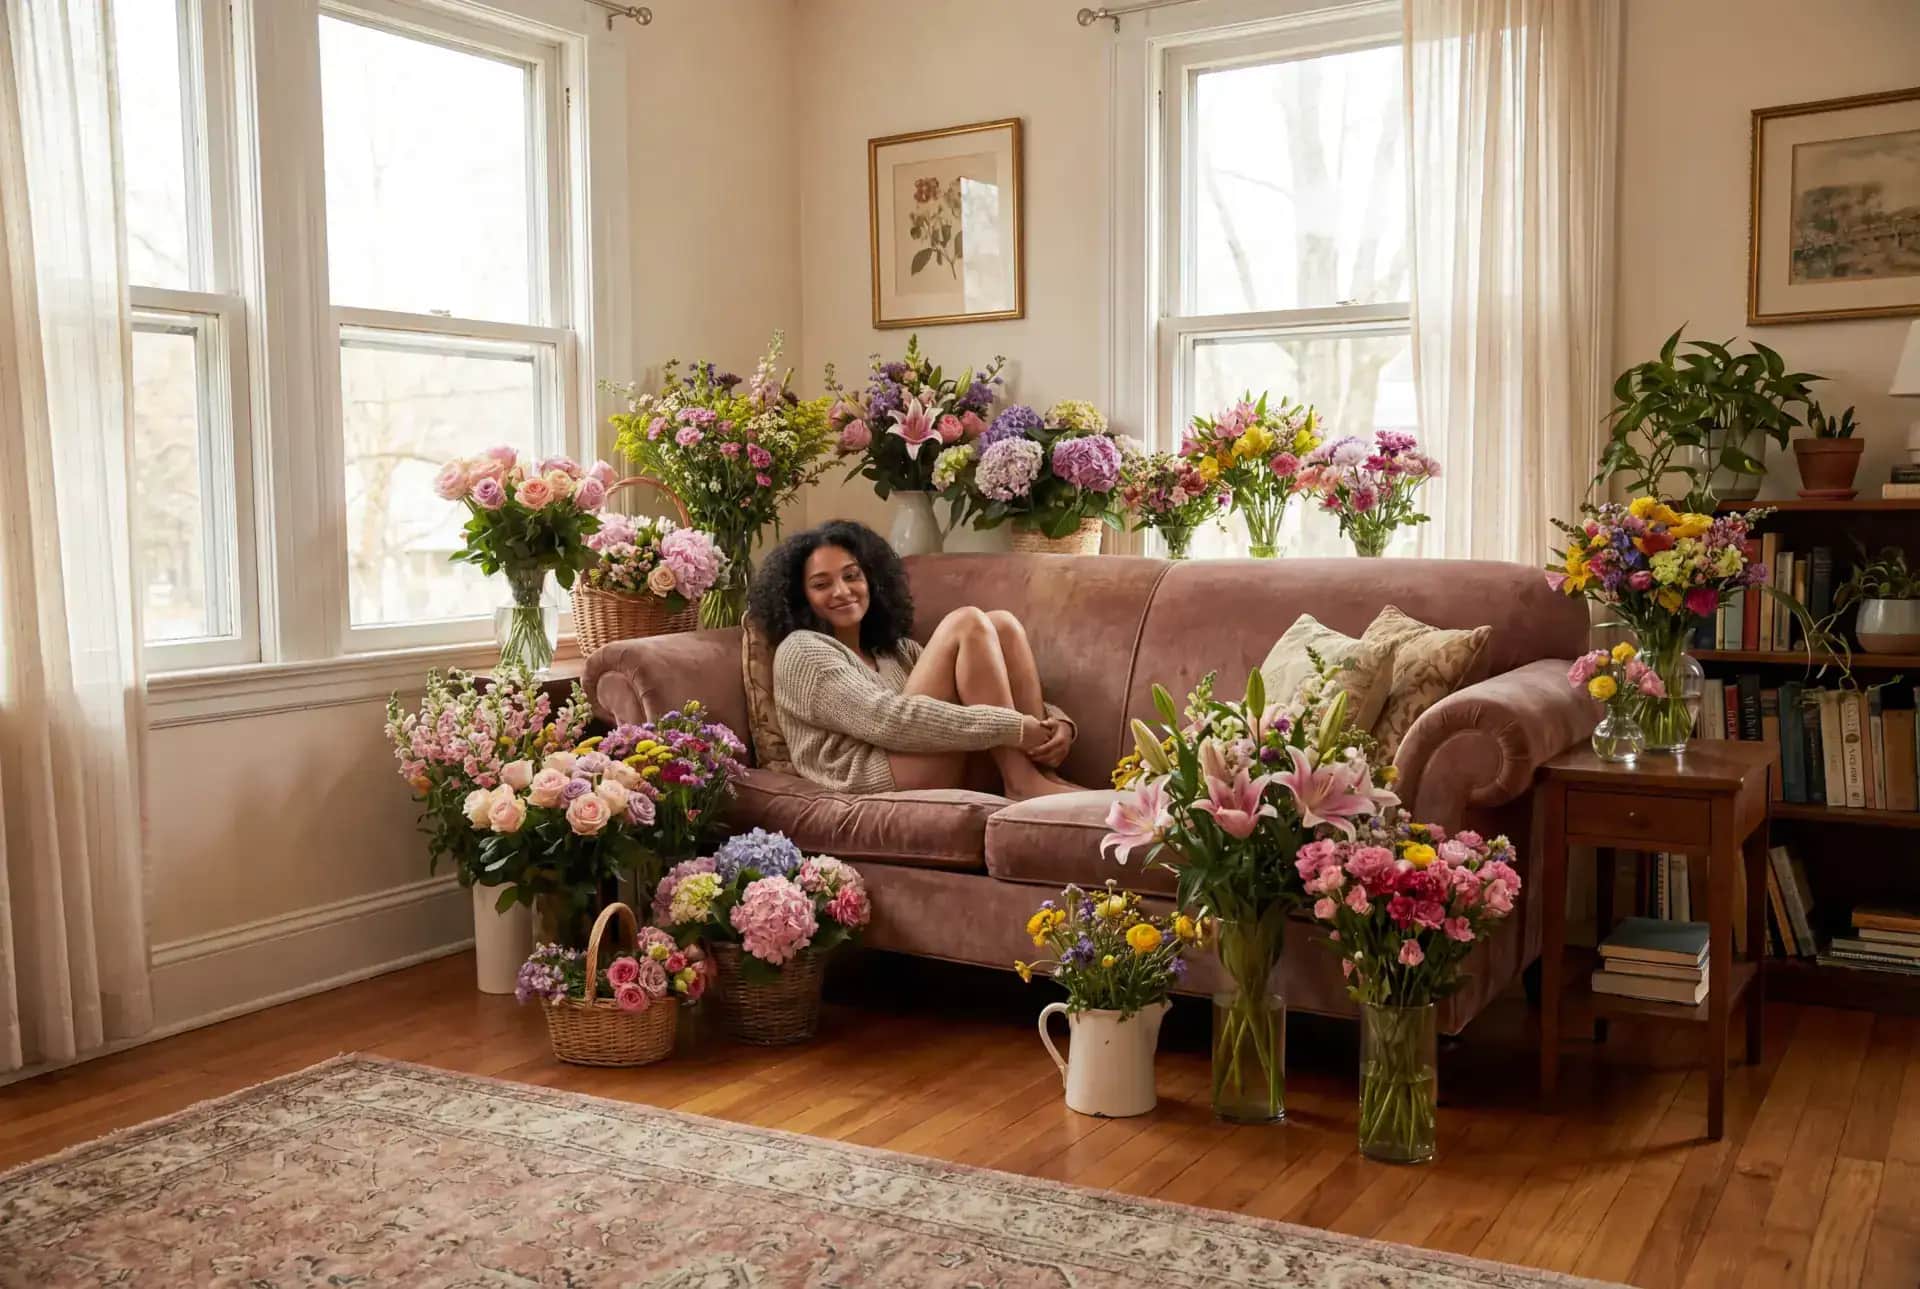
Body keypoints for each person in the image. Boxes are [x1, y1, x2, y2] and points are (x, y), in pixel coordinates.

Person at [746, 520, 1084, 800]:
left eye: (852, 576)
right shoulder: (802, 650)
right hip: (870, 780)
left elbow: (985, 687)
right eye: (822, 584)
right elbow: (886, 721)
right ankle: (1023, 784)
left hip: (938, 762)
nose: (842, 591)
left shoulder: (896, 651)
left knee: (1001, 625)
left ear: (871, 580)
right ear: (799, 597)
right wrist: (1014, 728)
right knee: (967, 623)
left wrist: (1056, 724)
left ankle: (1041, 776)